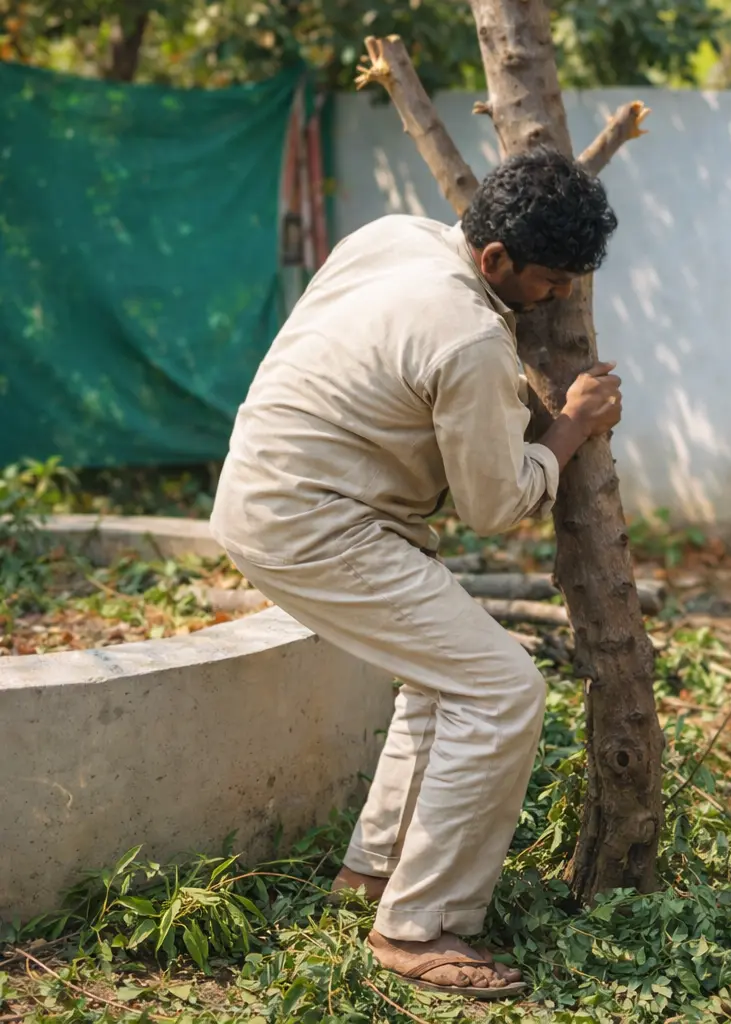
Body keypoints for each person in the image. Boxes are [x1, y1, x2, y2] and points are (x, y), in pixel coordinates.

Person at [210, 146, 622, 998]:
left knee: (448, 676)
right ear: (494, 260)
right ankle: (418, 927)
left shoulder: (392, 235)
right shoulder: (468, 337)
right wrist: (570, 428)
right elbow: (494, 504)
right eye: (547, 282)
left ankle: (372, 871)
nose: (557, 301)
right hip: (316, 525)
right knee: (504, 689)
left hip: (266, 490)